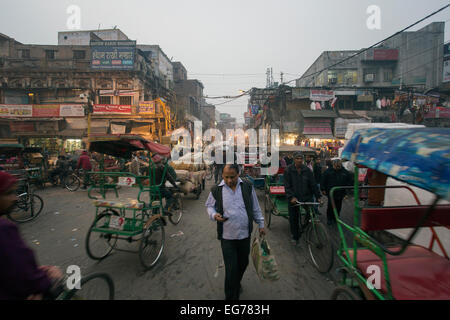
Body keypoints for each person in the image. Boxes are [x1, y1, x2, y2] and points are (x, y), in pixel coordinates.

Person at [205, 164, 265, 300]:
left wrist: (261, 224)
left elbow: (255, 207)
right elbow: (209, 206)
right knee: (231, 269)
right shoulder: (217, 190)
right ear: (222, 175)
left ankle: (235, 283)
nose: (229, 180)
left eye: (232, 177)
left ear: (238, 174)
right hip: (227, 237)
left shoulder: (247, 186)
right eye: (226, 177)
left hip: (244, 234)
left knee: (243, 263)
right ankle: (231, 297)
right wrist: (214, 215)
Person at [0, 171, 63, 300]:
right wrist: (47, 277)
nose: (15, 198)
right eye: (8, 193)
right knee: (56, 282)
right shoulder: (4, 229)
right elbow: (25, 274)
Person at [283, 152, 322, 245]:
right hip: (294, 198)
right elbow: (287, 186)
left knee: (311, 214)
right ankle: (295, 236)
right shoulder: (288, 170)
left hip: (306, 196)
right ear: (294, 159)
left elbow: (313, 184)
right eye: (297, 158)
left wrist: (318, 197)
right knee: (294, 218)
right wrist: (291, 197)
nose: (299, 160)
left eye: (301, 158)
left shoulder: (307, 170)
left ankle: (305, 227)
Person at [321, 159, 353, 225]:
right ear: (333, 165)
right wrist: (323, 189)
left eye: (339, 166)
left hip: (340, 192)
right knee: (330, 206)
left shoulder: (345, 172)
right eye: (336, 166)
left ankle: (336, 218)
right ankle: (329, 219)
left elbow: (350, 181)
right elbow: (323, 180)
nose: (337, 168)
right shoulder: (328, 171)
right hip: (331, 192)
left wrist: (347, 191)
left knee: (338, 206)